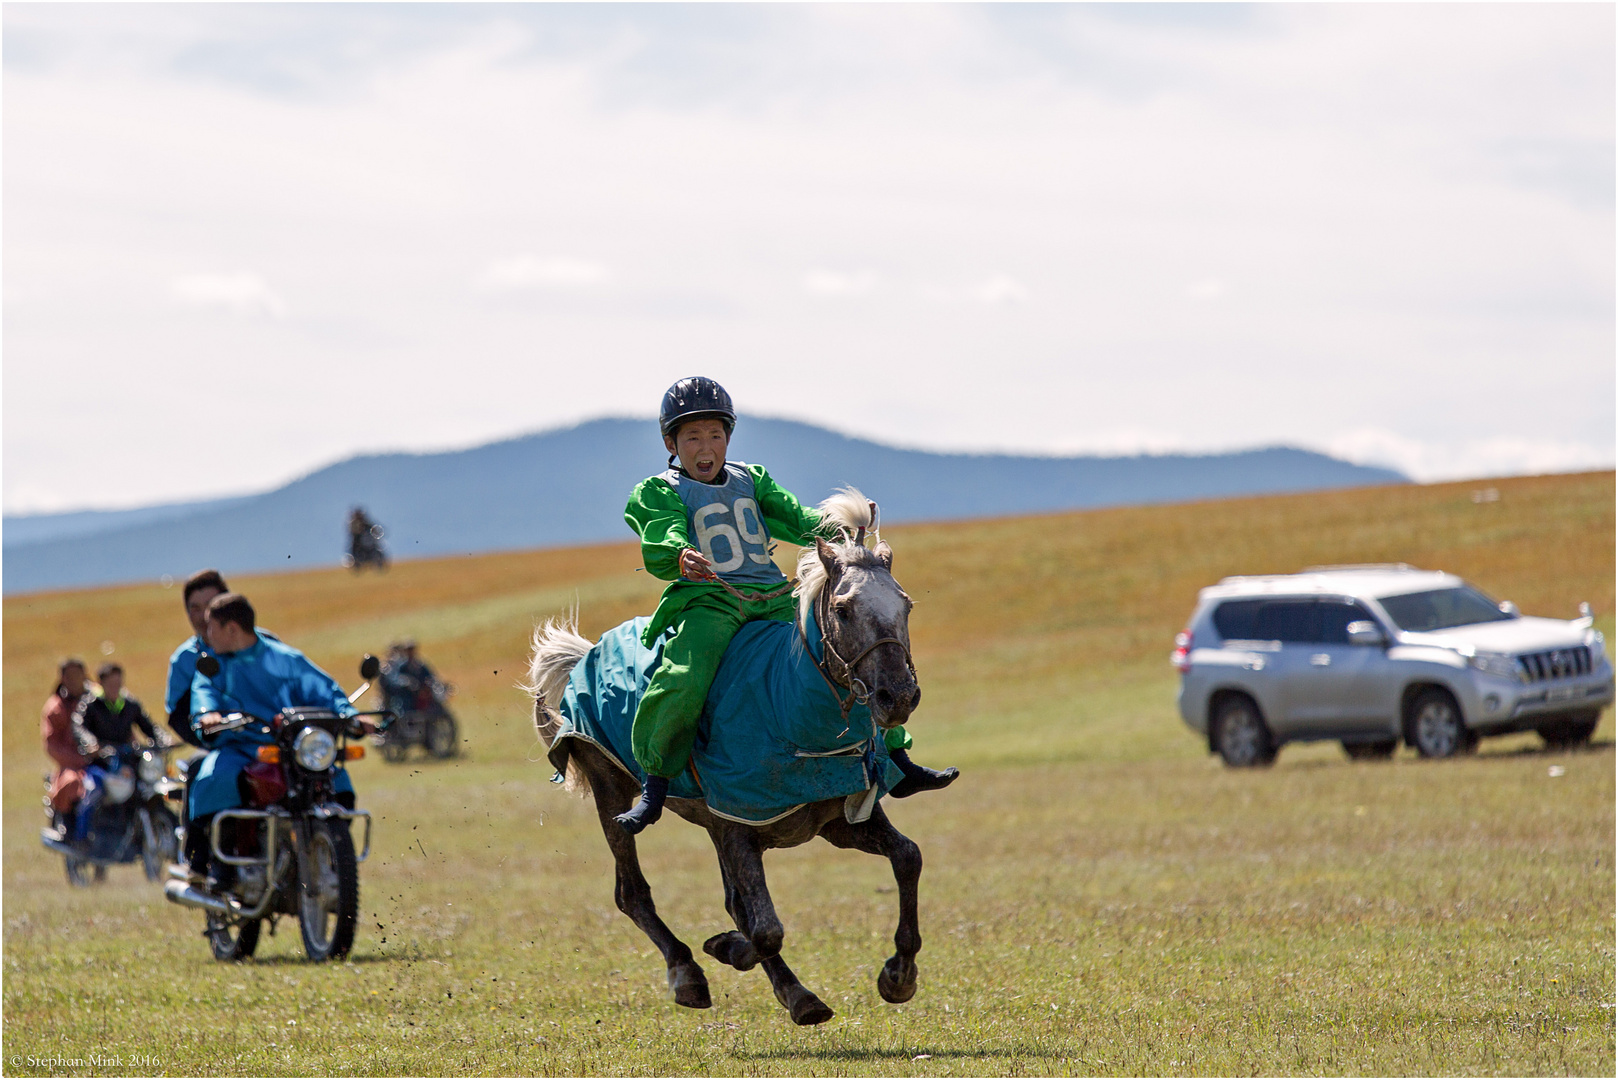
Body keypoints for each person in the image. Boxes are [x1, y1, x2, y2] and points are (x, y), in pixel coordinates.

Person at [614, 376, 957, 835]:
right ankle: (655, 784)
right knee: (684, 677)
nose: (705, 446)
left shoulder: (751, 480)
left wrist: (841, 521)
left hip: (774, 597)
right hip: (710, 603)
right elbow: (661, 531)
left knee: (844, 658)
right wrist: (679, 553)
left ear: (728, 437)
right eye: (692, 436)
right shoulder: (660, 491)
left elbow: (797, 520)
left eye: (715, 434)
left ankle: (897, 758)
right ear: (671, 443)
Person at [185, 592, 370, 889]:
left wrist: (351, 716)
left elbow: (326, 691)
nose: (206, 635)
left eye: (211, 627)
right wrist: (208, 715)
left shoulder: (284, 659)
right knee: (214, 778)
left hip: (290, 748)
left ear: (231, 629)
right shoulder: (214, 666)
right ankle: (222, 866)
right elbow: (203, 693)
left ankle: (329, 851)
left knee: (337, 778)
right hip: (240, 747)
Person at [69, 663, 161, 843]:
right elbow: (79, 727)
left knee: (147, 789)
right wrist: (91, 743)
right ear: (101, 684)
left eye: (118, 683)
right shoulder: (90, 704)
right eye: (111, 683)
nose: (115, 688)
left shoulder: (129, 704)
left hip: (127, 762)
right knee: (94, 794)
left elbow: (150, 727)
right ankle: (82, 841)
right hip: (100, 764)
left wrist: (163, 740)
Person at [41, 658, 92, 839]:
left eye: (79, 675)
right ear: (62, 678)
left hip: (101, 761)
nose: (75, 680)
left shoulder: (94, 700)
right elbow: (51, 745)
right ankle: (69, 830)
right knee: (71, 783)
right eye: (70, 676)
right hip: (72, 766)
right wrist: (78, 760)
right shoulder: (55, 708)